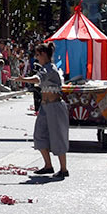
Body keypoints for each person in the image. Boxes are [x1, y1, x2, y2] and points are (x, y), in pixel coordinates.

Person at [23, 43, 69, 179]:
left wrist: (22, 79)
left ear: (44, 54)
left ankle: (64, 169)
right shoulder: (44, 68)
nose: (37, 58)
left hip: (55, 106)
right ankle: (48, 165)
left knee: (57, 136)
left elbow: (37, 79)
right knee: (39, 135)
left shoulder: (50, 69)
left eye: (38, 55)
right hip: (45, 106)